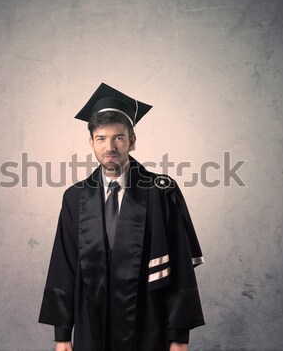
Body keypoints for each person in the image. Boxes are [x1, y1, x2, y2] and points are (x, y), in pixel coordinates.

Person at [39, 83, 205, 351]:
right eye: (101, 138)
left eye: (118, 137)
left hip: (149, 321)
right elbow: (64, 265)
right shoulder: (74, 197)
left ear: (132, 141)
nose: (110, 147)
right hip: (91, 323)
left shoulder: (162, 191)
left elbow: (181, 268)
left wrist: (178, 338)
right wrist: (62, 336)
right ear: (91, 142)